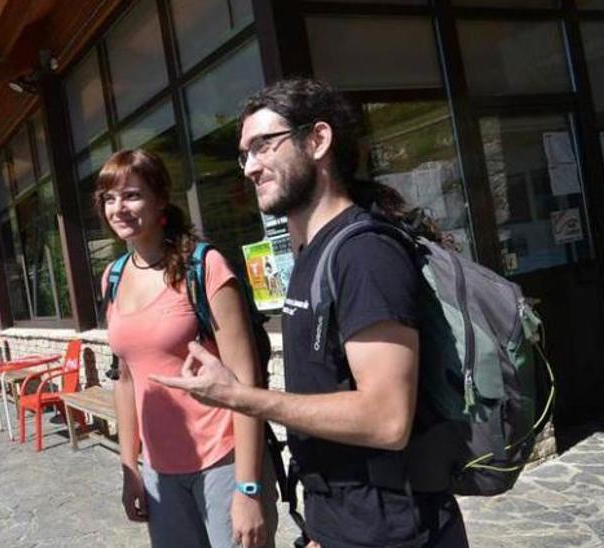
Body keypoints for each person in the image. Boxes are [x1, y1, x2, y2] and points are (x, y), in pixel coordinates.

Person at [152, 78, 469, 547]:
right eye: (244, 154)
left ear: (318, 140)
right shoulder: (312, 254)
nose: (249, 168)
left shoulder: (364, 255)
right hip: (345, 523)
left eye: (263, 146)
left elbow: (386, 419)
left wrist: (238, 396)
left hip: (397, 531)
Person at [98, 149, 278, 548]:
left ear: (160, 198)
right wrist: (130, 467)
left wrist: (248, 489)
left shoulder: (204, 266)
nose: (118, 209)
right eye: (109, 198)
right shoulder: (112, 277)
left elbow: (246, 380)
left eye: (131, 195)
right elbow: (125, 379)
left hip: (224, 460)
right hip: (161, 472)